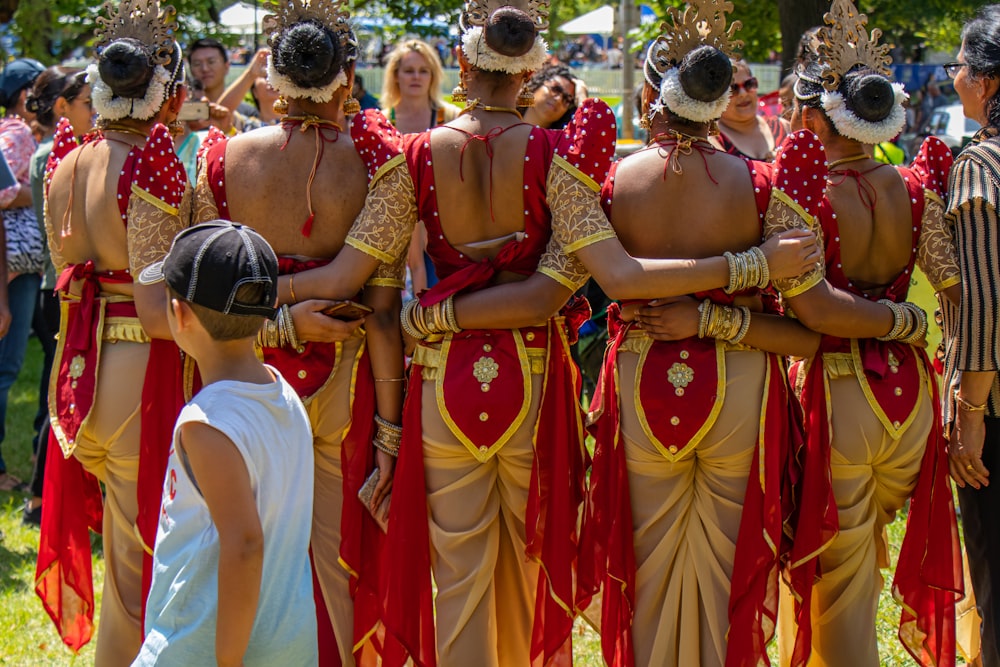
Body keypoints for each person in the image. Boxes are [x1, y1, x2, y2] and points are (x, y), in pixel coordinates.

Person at [277, 2, 819, 664]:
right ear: (531, 72)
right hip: (534, 376)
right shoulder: (558, 160)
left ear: (465, 64)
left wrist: (263, 298)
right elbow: (551, 293)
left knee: (458, 574)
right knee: (533, 564)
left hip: (442, 377)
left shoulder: (412, 157)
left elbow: (351, 275)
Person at [192, 4, 402, 664]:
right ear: (346, 81)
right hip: (348, 376)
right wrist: (391, 436)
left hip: (238, 374)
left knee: (242, 536)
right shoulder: (381, 166)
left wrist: (272, 317)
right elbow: (386, 312)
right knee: (335, 553)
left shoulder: (222, 158)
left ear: (273, 82)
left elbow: (203, 291)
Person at [768, 1, 963, 664]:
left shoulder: (806, 194)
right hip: (912, 398)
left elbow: (815, 311)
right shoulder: (915, 187)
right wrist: (918, 330)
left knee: (842, 577)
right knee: (860, 563)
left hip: (841, 393)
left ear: (817, 116)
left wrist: (891, 320)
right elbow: (954, 290)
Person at [35, 0, 190, 660]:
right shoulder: (152, 165)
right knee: (140, 566)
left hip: (77, 375)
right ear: (168, 93)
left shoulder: (67, 162)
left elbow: (65, 271)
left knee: (124, 554)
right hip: (137, 372)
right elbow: (158, 311)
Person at [132, 221, 317, 666]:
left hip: (197, 648)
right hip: (287, 646)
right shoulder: (284, 394)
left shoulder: (206, 424)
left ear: (179, 315)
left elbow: (246, 542)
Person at [941, 6, 1000, 665]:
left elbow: (985, 304)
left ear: (987, 82)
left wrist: (971, 411)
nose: (954, 77)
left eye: (958, 65)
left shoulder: (981, 165)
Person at [22, 67, 91, 526]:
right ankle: (40, 500)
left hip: (73, 287)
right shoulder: (54, 155)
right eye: (90, 104)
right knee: (61, 396)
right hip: (61, 288)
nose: (99, 113)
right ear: (63, 107)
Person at [713, 60, 788, 161]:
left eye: (748, 84)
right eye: (732, 89)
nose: (743, 93)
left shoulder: (784, 127)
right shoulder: (712, 140)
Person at [380, 39, 460, 134]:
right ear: (396, 75)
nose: (416, 77)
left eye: (423, 71)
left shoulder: (452, 118)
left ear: (432, 76)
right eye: (409, 71)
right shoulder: (383, 121)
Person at [520, 63, 577, 129]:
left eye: (567, 99)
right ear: (539, 83)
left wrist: (582, 98)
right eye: (556, 89)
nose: (558, 99)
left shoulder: (562, 139)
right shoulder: (505, 119)